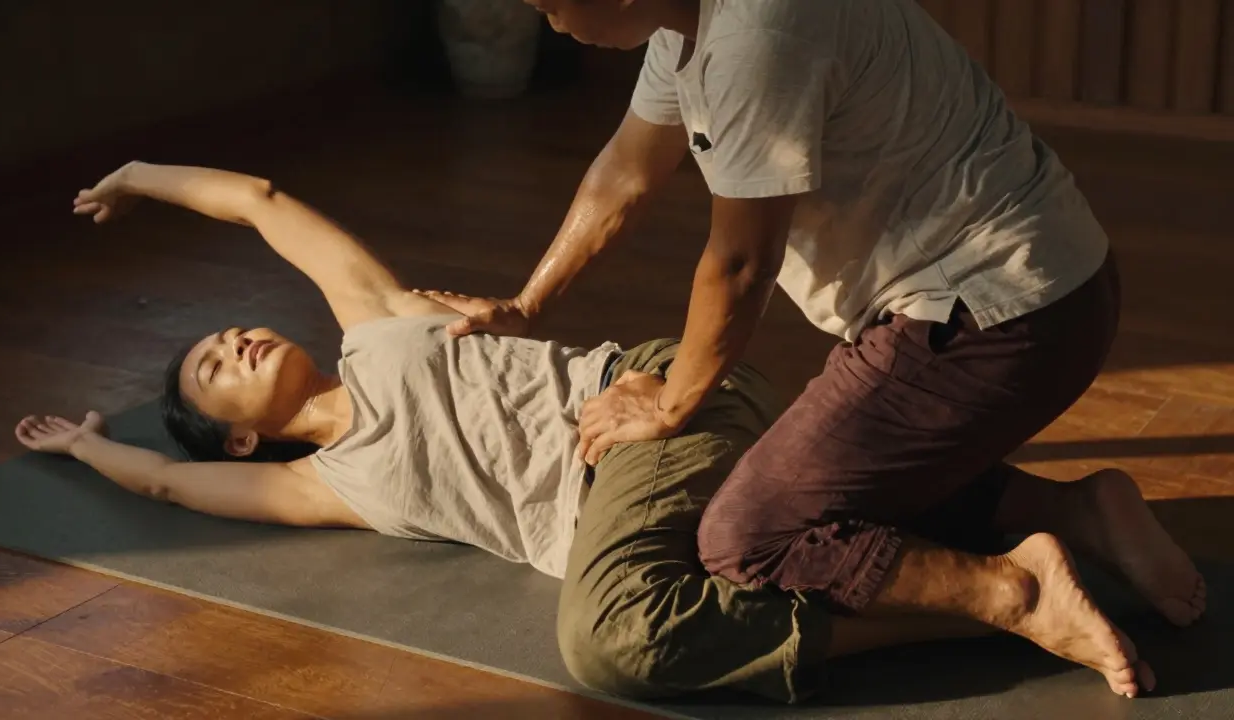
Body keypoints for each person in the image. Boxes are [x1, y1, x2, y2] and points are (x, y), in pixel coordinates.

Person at [418, 0, 1207, 700]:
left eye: (545, 0)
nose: (539, 14)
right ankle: (1077, 513)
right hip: (1043, 291)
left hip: (992, 321)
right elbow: (625, 172)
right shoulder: (686, 22)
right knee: (824, 481)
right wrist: (525, 304)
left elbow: (739, 265)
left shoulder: (758, 34)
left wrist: (670, 403)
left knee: (750, 536)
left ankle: (1015, 593)